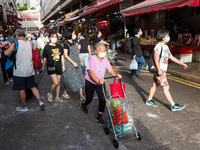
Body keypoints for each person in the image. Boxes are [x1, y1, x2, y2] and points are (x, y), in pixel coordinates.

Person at [146, 29, 188, 111]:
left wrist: (181, 63)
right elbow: (155, 58)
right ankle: (173, 105)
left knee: (155, 85)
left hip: (161, 70)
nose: (168, 37)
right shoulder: (158, 46)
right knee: (166, 87)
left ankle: (149, 100)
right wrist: (159, 70)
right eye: (167, 36)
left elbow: (171, 57)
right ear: (163, 37)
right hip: (160, 70)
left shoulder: (166, 47)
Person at [80, 42, 122, 125]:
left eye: (105, 50)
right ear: (95, 51)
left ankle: (99, 116)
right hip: (90, 82)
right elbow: (91, 73)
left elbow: (110, 69)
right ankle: (84, 104)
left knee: (103, 99)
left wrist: (115, 75)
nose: (104, 52)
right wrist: (97, 80)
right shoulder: (92, 59)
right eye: (101, 50)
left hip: (101, 82)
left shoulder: (105, 59)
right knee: (89, 99)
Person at [4, 28, 45, 111]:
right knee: (33, 86)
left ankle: (24, 106)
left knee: (21, 89)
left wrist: (5, 48)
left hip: (19, 71)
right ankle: (40, 101)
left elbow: (6, 53)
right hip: (29, 69)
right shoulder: (30, 42)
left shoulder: (15, 43)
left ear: (16, 35)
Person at [42, 31, 65, 103]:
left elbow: (62, 56)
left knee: (58, 82)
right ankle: (50, 93)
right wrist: (43, 67)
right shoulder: (47, 47)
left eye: (56, 37)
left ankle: (57, 97)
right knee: (56, 82)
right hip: (51, 66)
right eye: (53, 36)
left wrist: (63, 65)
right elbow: (45, 57)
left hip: (59, 66)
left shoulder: (59, 46)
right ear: (49, 38)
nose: (54, 38)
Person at [62, 29, 85, 100]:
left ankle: (81, 94)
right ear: (70, 34)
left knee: (79, 77)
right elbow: (65, 55)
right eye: (74, 33)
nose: (75, 35)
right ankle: (65, 92)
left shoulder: (74, 42)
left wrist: (79, 57)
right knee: (69, 79)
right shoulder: (66, 44)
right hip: (69, 64)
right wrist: (73, 62)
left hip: (77, 63)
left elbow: (75, 52)